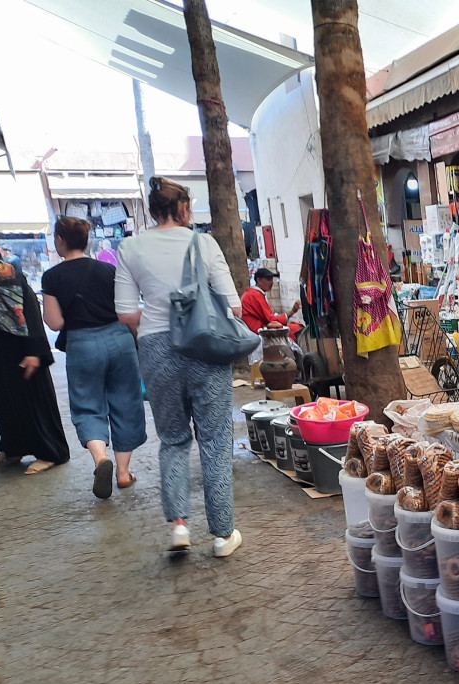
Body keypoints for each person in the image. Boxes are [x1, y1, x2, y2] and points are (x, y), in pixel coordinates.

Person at [114, 176, 243, 557]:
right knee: (215, 439)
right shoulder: (204, 243)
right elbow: (233, 306)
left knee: (172, 439)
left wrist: (157, 321)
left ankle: (179, 526)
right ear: (184, 208)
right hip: (205, 345)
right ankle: (222, 535)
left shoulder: (130, 247)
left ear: (153, 210)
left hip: (156, 347)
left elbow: (126, 314)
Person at [41, 216, 146, 498]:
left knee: (88, 405)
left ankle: (101, 460)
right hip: (119, 339)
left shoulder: (52, 277)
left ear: (60, 241)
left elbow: (54, 323)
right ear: (87, 240)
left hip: (82, 344)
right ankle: (123, 473)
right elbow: (127, 310)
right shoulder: (108, 270)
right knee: (126, 402)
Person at [0, 250, 70, 474]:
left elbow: (30, 313)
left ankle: (50, 453)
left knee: (33, 402)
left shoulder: (8, 275)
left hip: (21, 349)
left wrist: (34, 351)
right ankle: (13, 447)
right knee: (4, 403)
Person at [240, 268, 300, 337]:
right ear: (259, 280)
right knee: (297, 329)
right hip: (257, 331)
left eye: (272, 280)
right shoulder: (255, 295)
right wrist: (292, 312)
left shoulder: (252, 293)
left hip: (256, 329)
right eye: (268, 279)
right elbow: (270, 319)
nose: (271, 283)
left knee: (294, 326)